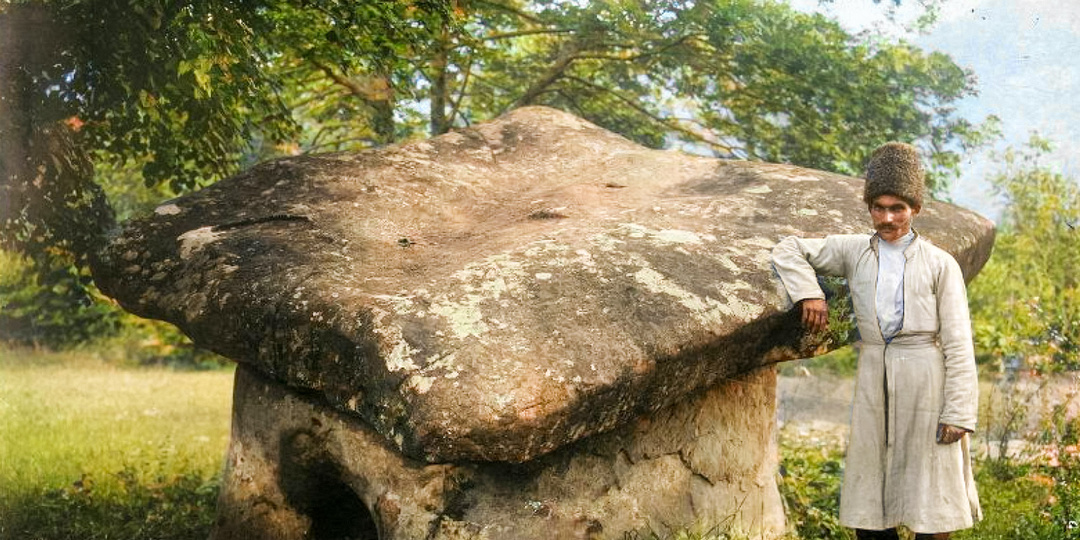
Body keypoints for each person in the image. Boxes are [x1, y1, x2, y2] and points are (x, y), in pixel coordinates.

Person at [771, 142, 982, 539]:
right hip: (874, 373)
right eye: (879, 207)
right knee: (871, 490)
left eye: (897, 208)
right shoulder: (854, 250)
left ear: (915, 209)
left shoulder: (941, 264)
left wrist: (958, 411)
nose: (887, 218)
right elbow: (790, 248)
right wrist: (808, 292)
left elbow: (958, 342)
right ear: (869, 207)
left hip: (926, 378)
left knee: (931, 493)